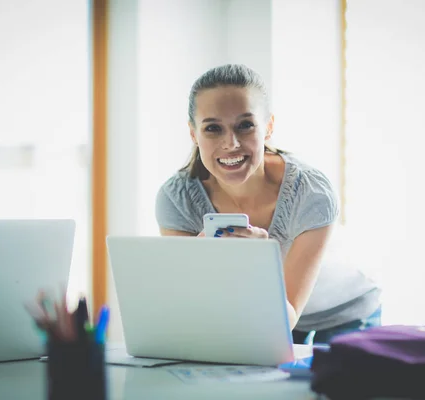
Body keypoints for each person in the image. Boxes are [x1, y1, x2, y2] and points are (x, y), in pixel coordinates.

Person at [155, 64, 381, 344]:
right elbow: (193, 307)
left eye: (245, 125)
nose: (231, 144)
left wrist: (260, 264)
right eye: (213, 128)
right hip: (264, 313)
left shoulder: (312, 193)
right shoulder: (177, 199)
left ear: (269, 127)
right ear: (193, 134)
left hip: (344, 310)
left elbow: (285, 319)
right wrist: (201, 268)